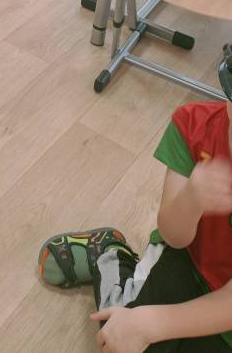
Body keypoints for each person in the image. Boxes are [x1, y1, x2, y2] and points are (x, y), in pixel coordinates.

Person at [38, 48, 232, 352]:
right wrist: (193, 198)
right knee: (122, 334)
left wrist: (157, 324)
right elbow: (174, 235)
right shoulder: (195, 128)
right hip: (186, 260)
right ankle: (109, 254)